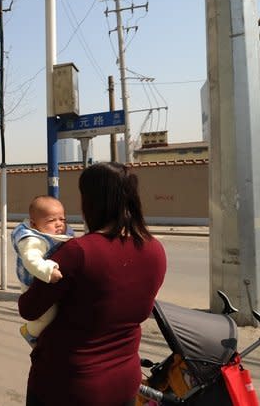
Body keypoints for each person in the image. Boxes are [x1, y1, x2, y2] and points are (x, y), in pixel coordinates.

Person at [18, 162, 167, 406]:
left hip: (68, 385)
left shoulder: (77, 252)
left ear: (92, 201)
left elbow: (29, 308)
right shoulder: (155, 250)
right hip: (125, 381)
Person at [11, 195, 73, 347]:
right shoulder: (33, 239)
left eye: (62, 219)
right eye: (52, 221)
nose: (59, 224)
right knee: (47, 316)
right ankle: (30, 332)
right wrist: (48, 270)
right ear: (34, 224)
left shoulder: (52, 232)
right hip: (32, 282)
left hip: (46, 281)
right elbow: (31, 260)